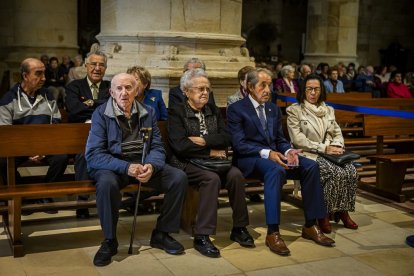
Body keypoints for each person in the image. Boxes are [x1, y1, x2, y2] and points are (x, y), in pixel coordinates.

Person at [227, 68, 334, 256]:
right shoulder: (237, 109)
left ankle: (311, 224)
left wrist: (289, 150)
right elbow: (239, 144)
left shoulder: (273, 108)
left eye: (269, 85)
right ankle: (273, 232)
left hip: (275, 156)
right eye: (263, 85)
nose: (268, 89)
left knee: (310, 166)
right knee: (275, 171)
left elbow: (279, 139)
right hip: (249, 160)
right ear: (251, 87)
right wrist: (269, 153)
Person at [85, 73, 188, 266]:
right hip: (113, 167)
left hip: (142, 164)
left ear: (136, 90)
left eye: (128, 88)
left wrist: (151, 165)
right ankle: (109, 240)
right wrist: (126, 167)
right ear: (112, 92)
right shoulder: (100, 114)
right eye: (119, 88)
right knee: (106, 184)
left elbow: (157, 147)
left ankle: (162, 233)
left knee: (178, 177)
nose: (124, 93)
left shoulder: (148, 112)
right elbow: (94, 155)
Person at [168, 68, 253, 258]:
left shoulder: (212, 110)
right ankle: (202, 235)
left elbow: (227, 137)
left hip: (213, 161)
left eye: (207, 89)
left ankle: (239, 228)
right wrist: (211, 150)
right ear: (186, 91)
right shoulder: (177, 112)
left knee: (236, 176)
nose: (205, 92)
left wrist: (205, 140)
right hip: (185, 162)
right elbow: (180, 146)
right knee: (211, 179)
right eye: (200, 89)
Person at [286, 74, 359, 233]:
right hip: (308, 153)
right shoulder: (295, 110)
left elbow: (337, 132)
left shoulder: (328, 110)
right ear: (303, 91)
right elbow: (297, 139)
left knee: (350, 170)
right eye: (309, 89)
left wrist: (338, 145)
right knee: (331, 172)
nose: (313, 92)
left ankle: (342, 210)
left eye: (316, 89)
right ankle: (323, 214)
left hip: (330, 152)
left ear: (321, 91)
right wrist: (324, 148)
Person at [0, 58, 68, 210]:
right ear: (25, 76)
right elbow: (6, 133)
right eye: (38, 74)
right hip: (19, 147)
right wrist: (27, 149)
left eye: (44, 73)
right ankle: (22, 194)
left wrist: (43, 148)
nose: (43, 78)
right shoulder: (8, 99)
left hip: (44, 145)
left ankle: (45, 194)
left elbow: (55, 123)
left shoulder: (48, 95)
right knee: (2, 162)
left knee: (61, 157)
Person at [65, 51, 111, 219]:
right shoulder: (74, 86)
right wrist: (99, 105)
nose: (97, 68)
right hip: (80, 137)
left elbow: (112, 109)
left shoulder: (110, 87)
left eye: (101, 65)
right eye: (94, 64)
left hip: (106, 135)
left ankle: (108, 198)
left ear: (105, 68)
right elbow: (74, 110)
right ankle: (82, 201)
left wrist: (90, 103)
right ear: (86, 66)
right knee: (83, 155)